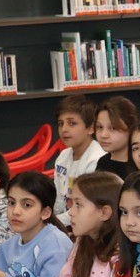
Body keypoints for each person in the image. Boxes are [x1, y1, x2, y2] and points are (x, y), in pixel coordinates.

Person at [47, 93, 95, 223]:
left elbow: (86, 209)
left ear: (90, 128)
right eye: (60, 124)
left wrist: (49, 223)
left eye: (72, 123)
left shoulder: (96, 160)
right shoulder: (63, 156)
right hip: (64, 222)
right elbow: (58, 201)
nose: (64, 129)